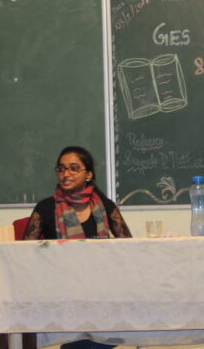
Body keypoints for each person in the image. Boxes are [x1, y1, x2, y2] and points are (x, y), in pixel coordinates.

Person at [22, 146, 132, 349]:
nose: (66, 174)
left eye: (73, 168)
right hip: (61, 290)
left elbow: (128, 246)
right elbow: (25, 253)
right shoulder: (45, 208)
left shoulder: (105, 206)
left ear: (88, 174)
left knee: (99, 332)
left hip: (101, 289)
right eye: (61, 169)